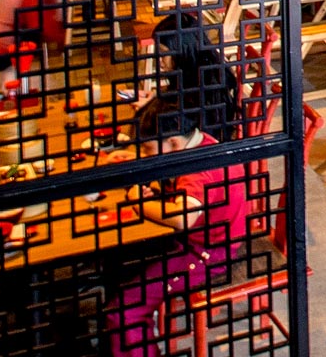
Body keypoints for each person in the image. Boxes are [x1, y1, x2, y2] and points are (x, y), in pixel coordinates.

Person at [106, 101, 253, 357]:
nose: (146, 155)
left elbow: (182, 218)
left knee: (124, 310)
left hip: (207, 254)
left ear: (174, 143)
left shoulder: (198, 172)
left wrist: (139, 203)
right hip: (216, 239)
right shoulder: (202, 142)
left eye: (149, 149)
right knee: (125, 266)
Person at [147, 12, 241, 143]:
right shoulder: (196, 71)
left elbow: (187, 130)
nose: (159, 60)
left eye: (163, 53)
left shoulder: (206, 87)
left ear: (183, 51)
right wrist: (153, 101)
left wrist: (152, 109)